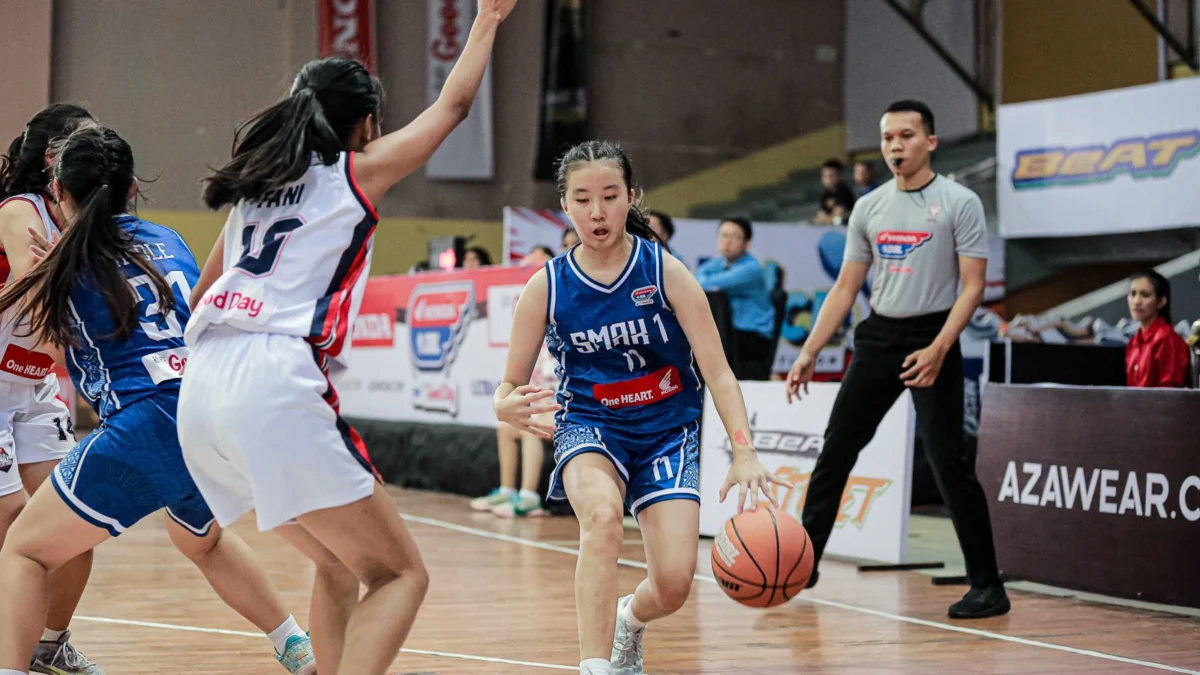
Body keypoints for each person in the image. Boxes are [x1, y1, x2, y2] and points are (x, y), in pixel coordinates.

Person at [176, 4, 515, 674]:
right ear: (364, 125)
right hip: (272, 379)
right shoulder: (353, 172)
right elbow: (454, 105)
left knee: (335, 562)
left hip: (204, 385)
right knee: (401, 574)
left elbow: (197, 297)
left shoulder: (255, 188)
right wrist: (488, 20)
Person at [0, 126, 324, 675]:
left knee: (26, 550)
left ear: (58, 194)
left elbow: (49, 345)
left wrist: (41, 281)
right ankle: (296, 646)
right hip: (212, 414)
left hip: (145, 424)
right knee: (202, 541)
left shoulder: (64, 259)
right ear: (131, 190)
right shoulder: (169, 238)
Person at [494, 140, 783, 675]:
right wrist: (504, 406)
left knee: (673, 585)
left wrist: (744, 452)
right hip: (590, 425)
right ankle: (595, 666)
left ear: (632, 197)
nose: (597, 212)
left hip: (668, 430)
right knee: (601, 519)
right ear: (565, 206)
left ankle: (630, 618)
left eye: (609, 196)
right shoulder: (547, 286)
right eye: (582, 199)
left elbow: (718, 371)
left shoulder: (665, 271)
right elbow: (508, 385)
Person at [785, 100, 1010, 619]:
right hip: (880, 335)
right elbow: (846, 288)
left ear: (930, 142)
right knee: (837, 448)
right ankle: (805, 562)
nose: (894, 146)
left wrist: (938, 349)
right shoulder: (869, 207)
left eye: (906, 136)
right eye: (887, 138)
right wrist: (810, 351)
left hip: (935, 332)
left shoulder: (960, 202)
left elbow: (972, 288)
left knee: (948, 462)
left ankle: (987, 586)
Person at [0, 103, 104, 675]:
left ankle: (49, 645)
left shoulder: (81, 214)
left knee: (71, 528)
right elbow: (35, 295)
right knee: (12, 517)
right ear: (52, 157)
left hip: (35, 387)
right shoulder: (22, 209)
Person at [694, 218, 776, 380]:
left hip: (752, 336)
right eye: (723, 235)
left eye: (735, 237)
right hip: (732, 333)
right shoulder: (718, 264)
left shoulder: (751, 269)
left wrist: (701, 279)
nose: (727, 241)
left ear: (747, 243)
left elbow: (706, 282)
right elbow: (693, 279)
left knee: (706, 343)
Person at [1125, 271, 1189, 388]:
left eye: (1145, 295)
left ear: (1161, 302)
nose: (1137, 301)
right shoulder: (1134, 342)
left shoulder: (1167, 338)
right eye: (1133, 294)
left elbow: (1170, 392)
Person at [813, 158, 856, 225]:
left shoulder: (844, 191)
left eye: (830, 176)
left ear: (839, 175)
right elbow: (821, 213)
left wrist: (827, 219)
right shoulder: (826, 194)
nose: (827, 179)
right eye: (824, 176)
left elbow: (840, 213)